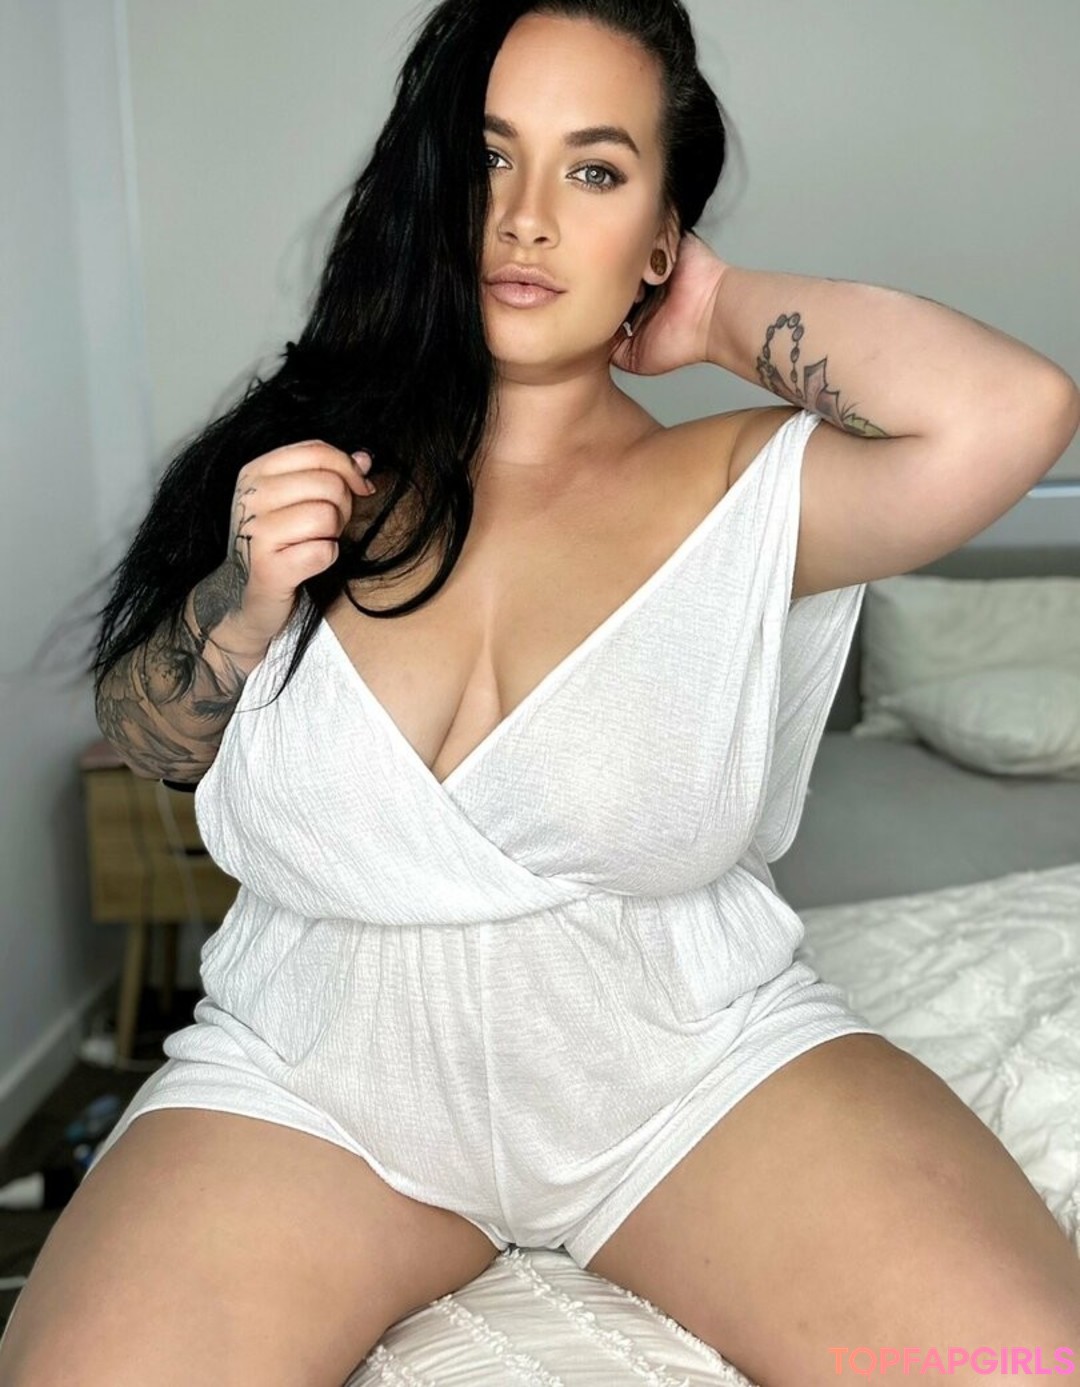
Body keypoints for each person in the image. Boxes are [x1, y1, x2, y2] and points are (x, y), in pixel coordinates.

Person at [5, 2, 1079, 1383]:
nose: (524, 219)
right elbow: (150, 736)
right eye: (489, 158)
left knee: (1023, 1368)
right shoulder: (300, 468)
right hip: (314, 1084)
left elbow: (1014, 412)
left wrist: (714, 313)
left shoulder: (740, 491)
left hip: (685, 1079)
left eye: (595, 170)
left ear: (661, 235)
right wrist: (242, 600)